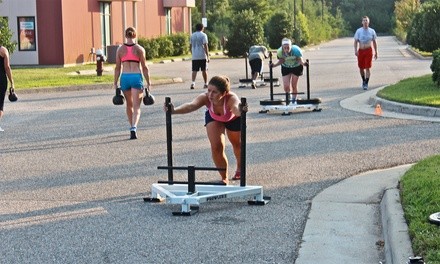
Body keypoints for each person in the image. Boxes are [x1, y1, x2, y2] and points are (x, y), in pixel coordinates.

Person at [165, 76, 245, 185]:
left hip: (233, 118)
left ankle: (240, 167)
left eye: (214, 92)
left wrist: (242, 110)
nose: (210, 95)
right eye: (209, 90)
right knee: (216, 146)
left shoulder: (231, 98)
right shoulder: (205, 97)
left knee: (237, 145)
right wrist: (174, 111)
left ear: (224, 93)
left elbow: (236, 109)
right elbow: (191, 106)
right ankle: (224, 177)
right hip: (214, 118)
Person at [113, 27, 152, 140]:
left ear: (126, 35)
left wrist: (115, 83)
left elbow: (117, 68)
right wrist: (149, 82)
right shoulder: (140, 49)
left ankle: (131, 126)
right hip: (136, 77)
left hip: (124, 77)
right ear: (135, 35)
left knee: (129, 105)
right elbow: (145, 67)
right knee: (137, 107)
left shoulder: (120, 50)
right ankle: (134, 127)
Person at [270, 38, 308, 103]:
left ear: (291, 46)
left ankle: (294, 99)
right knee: (286, 86)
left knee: (294, 84)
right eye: (285, 48)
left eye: (288, 47)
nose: (286, 49)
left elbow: (299, 59)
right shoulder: (279, 52)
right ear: (282, 47)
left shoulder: (296, 50)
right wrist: (274, 65)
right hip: (286, 67)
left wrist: (304, 64)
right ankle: (289, 97)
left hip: (296, 67)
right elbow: (281, 60)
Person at [354, 16, 378, 90]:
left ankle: (366, 83)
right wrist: (355, 50)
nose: (365, 22)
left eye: (366, 21)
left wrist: (376, 52)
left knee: (367, 67)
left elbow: (374, 42)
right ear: (362, 22)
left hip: (368, 50)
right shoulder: (358, 31)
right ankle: (363, 80)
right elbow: (355, 42)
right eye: (364, 21)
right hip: (361, 51)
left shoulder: (372, 31)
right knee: (361, 68)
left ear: (368, 22)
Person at [190, 23, 209, 90]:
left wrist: (192, 53)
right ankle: (206, 83)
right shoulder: (203, 35)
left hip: (195, 56)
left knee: (194, 70)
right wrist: (207, 55)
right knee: (204, 70)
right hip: (202, 55)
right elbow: (205, 45)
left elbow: (190, 45)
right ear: (202, 28)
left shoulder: (192, 35)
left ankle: (193, 83)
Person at [0, 45, 15, 132]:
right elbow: (7, 67)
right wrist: (12, 81)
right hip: (1, 79)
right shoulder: (3, 50)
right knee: (0, 103)